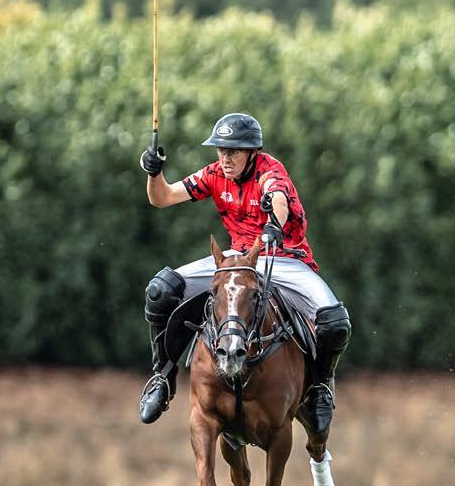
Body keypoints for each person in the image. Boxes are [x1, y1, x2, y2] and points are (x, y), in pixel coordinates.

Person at [138, 112, 351, 431]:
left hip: (282, 258)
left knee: (335, 322)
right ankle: (162, 378)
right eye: (221, 150)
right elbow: (162, 198)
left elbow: (277, 198)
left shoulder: (269, 170)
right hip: (236, 260)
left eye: (233, 151)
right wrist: (154, 173)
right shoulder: (214, 173)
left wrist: (273, 225)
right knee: (160, 290)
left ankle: (320, 387)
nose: (225, 158)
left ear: (252, 152)